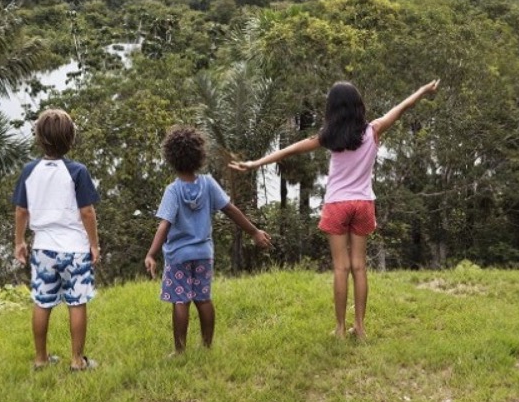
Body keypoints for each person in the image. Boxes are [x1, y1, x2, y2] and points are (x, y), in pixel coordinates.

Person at [231, 80, 440, 338]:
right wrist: (423, 90)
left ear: (332, 109)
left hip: (337, 204)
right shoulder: (373, 130)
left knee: (341, 268)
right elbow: (402, 107)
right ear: (358, 106)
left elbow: (290, 150)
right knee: (359, 267)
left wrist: (255, 163)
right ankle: (360, 328)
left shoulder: (327, 138)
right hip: (363, 203)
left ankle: (340, 329)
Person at [145, 125, 272, 354]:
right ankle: (206, 345)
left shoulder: (173, 191)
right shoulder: (208, 184)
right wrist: (254, 231)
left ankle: (180, 351)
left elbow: (164, 225)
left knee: (180, 301)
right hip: (203, 253)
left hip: (178, 256)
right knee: (203, 299)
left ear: (171, 158)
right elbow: (231, 210)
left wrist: (152, 253)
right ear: (199, 156)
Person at [13, 108, 101, 372]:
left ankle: (40, 358)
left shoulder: (30, 171)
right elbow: (87, 212)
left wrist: (19, 241)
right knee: (77, 302)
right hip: (74, 249)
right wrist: (94, 244)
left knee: (42, 302)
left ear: (39, 139)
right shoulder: (78, 172)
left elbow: (21, 211)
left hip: (42, 249)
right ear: (70, 139)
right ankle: (77, 361)